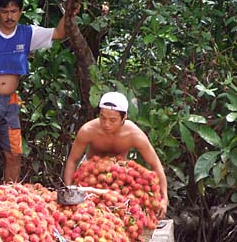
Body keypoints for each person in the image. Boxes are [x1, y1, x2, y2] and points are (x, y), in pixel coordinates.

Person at [0, 0, 71, 184]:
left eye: (13, 11)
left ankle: (10, 197)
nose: (9, 16)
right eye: (4, 11)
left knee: (13, 152)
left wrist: (72, 7)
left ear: (20, 11)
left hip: (10, 102)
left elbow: (60, 33)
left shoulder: (27, 33)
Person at [63, 91, 168, 219]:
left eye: (113, 120)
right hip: (90, 178)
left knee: (130, 212)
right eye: (102, 118)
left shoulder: (134, 135)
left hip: (120, 180)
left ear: (124, 117)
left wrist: (164, 197)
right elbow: (72, 161)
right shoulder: (88, 131)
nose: (106, 124)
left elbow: (155, 164)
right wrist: (69, 189)